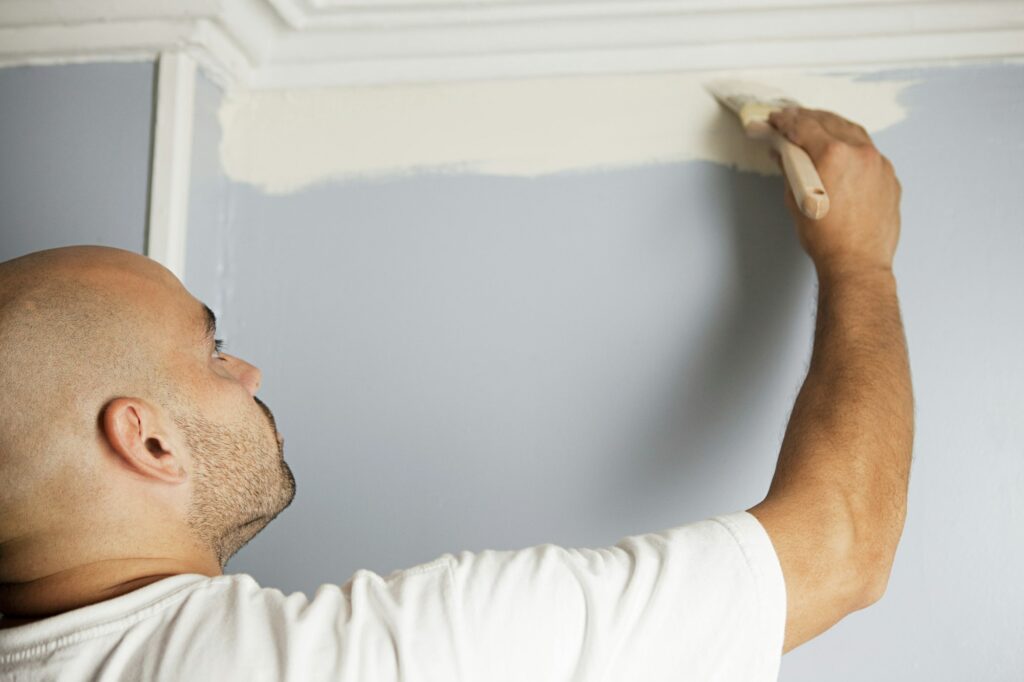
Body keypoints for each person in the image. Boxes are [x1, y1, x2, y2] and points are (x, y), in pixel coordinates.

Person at [0, 107, 913, 680]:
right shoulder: (380, 656)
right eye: (214, 350)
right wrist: (860, 261)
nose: (249, 375)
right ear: (148, 441)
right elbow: (841, 552)